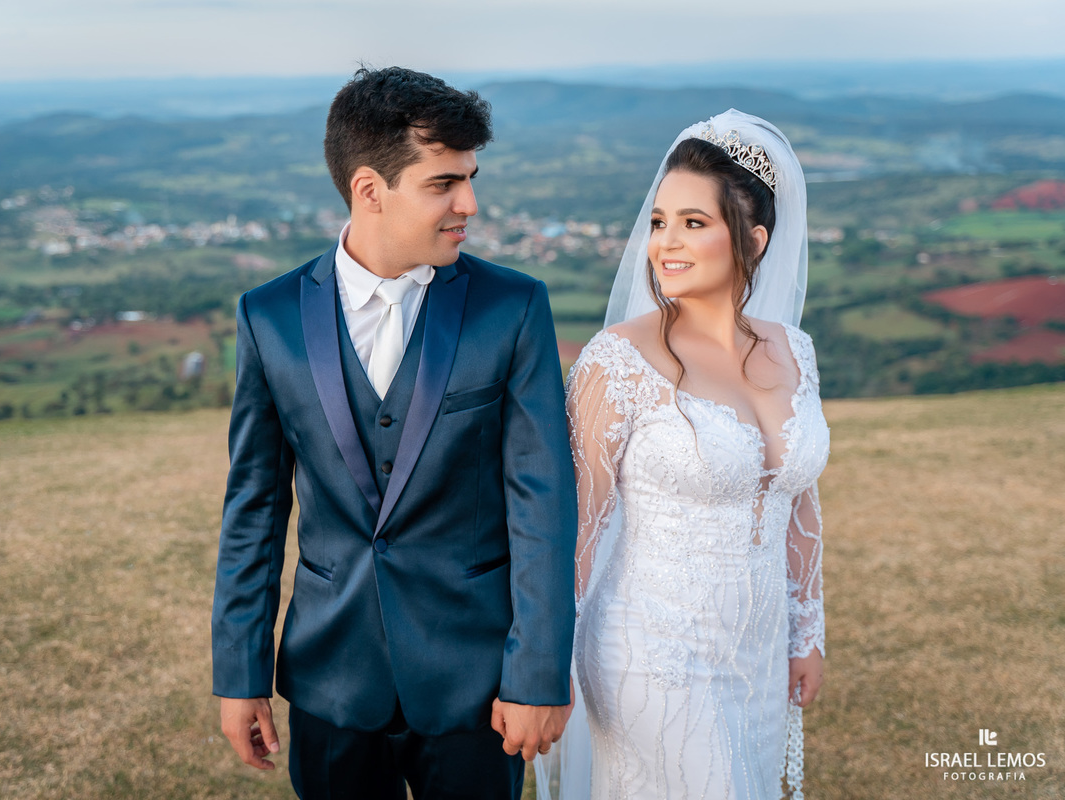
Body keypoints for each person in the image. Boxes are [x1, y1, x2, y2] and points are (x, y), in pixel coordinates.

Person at [211, 66, 577, 800]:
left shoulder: (514, 308)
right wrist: (240, 672)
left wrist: (537, 673)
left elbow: (543, 504)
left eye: (470, 178)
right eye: (444, 183)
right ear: (370, 190)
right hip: (330, 679)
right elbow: (254, 508)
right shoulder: (269, 316)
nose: (469, 203)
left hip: (478, 683)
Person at [537, 110, 830, 799]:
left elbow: (797, 501)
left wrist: (805, 631)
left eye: (694, 224)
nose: (665, 243)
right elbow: (574, 525)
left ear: (752, 242)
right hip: (649, 652)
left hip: (755, 657)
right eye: (661, 221)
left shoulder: (795, 351)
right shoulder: (617, 362)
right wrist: (551, 666)